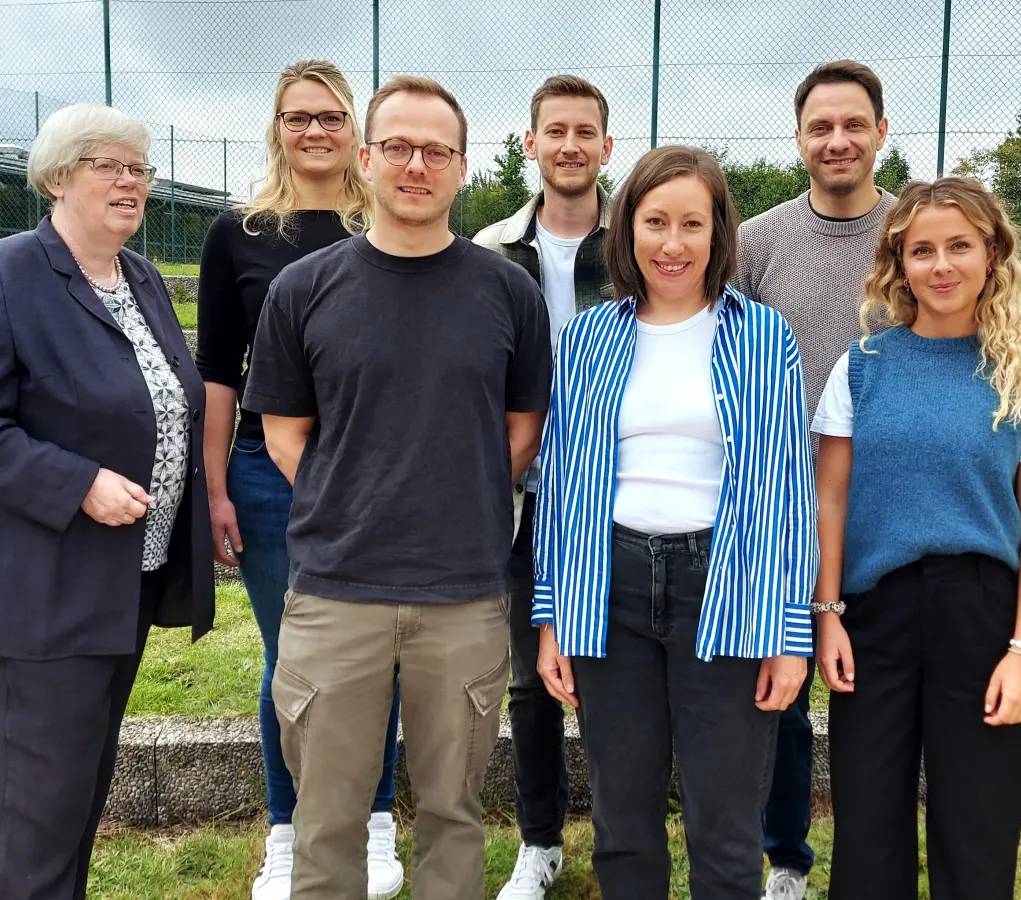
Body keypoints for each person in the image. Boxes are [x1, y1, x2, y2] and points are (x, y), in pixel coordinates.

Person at [242, 74, 551, 900]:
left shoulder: (508, 293)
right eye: (401, 148)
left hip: (463, 592)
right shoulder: (302, 291)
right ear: (368, 158)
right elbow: (282, 433)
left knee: (453, 814)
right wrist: (358, 496)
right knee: (327, 820)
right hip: (337, 593)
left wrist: (456, 495)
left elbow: (525, 427)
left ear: (459, 165)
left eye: (437, 151)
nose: (418, 166)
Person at [0, 102, 214, 900]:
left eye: (139, 169)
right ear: (56, 177)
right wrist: (76, 483)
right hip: (36, 596)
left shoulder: (138, 276)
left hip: (119, 587)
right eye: (106, 165)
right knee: (30, 816)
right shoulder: (2, 273)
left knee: (74, 800)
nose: (130, 181)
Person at [533, 145, 816, 900]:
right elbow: (562, 483)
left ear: (719, 233)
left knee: (723, 820)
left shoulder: (763, 339)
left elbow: (788, 492)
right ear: (627, 230)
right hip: (610, 590)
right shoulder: (588, 340)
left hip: (723, 590)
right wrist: (553, 616)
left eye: (693, 223)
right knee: (622, 819)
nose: (673, 243)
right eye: (655, 221)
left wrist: (790, 636)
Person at [811, 177, 1021, 898]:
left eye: (960, 246)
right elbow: (829, 500)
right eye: (922, 250)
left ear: (992, 254)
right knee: (867, 825)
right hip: (874, 617)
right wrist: (827, 615)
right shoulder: (861, 367)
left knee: (977, 823)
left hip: (981, 614)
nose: (941, 265)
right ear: (899, 262)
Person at [195, 59, 404, 900]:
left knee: (379, 652)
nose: (313, 131)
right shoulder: (237, 233)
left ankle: (376, 821)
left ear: (354, 128)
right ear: (276, 128)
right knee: (294, 657)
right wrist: (214, 489)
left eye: (329, 116)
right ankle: (289, 831)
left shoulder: (386, 220)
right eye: (296, 117)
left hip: (376, 472)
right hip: (265, 471)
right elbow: (217, 373)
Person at [732, 59, 895, 900]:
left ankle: (878, 859)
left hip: (895, 507)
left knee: (882, 698)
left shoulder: (915, 234)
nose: (837, 140)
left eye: (853, 124)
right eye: (820, 127)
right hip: (787, 508)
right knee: (783, 698)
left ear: (880, 132)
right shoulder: (756, 242)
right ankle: (786, 858)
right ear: (798, 139)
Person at [471, 73, 614, 900]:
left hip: (615, 500)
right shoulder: (490, 251)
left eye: (583, 132)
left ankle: (622, 830)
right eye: (553, 131)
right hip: (524, 497)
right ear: (530, 144)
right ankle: (539, 842)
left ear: (605, 146)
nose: (568, 145)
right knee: (530, 681)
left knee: (607, 680)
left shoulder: (638, 241)